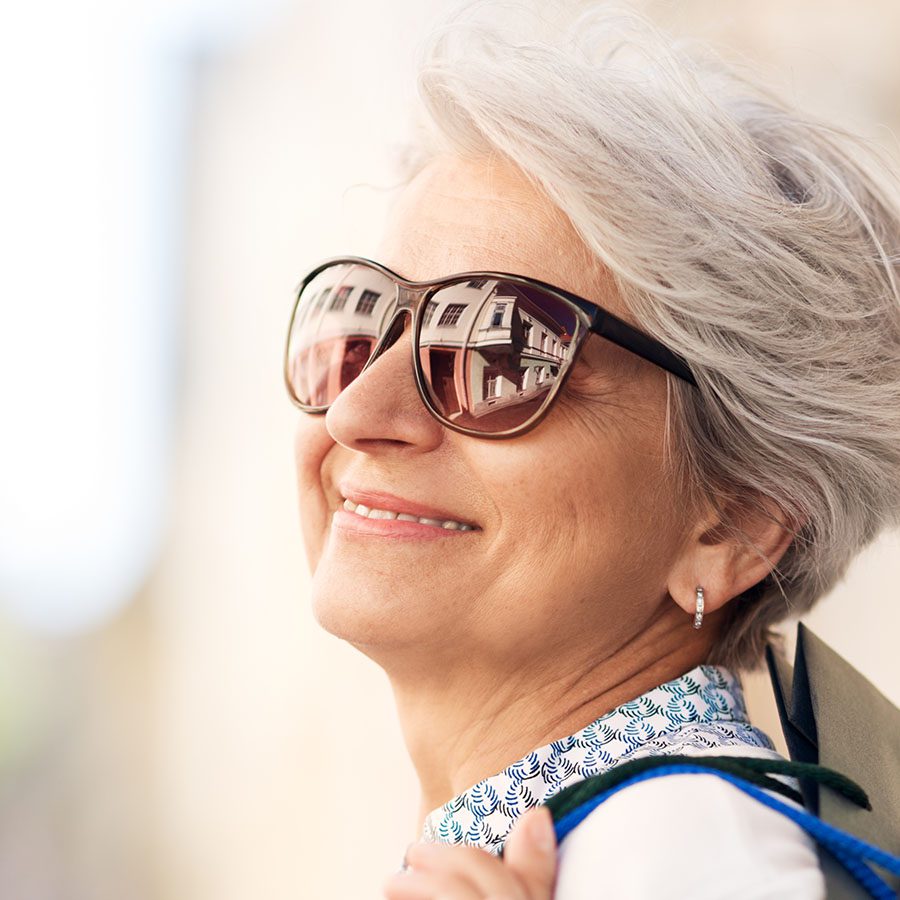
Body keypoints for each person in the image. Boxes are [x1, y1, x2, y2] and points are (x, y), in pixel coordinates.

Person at [285, 4, 900, 897]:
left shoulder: (680, 850)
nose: (355, 412)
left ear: (734, 525)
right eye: (359, 322)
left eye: (499, 353)